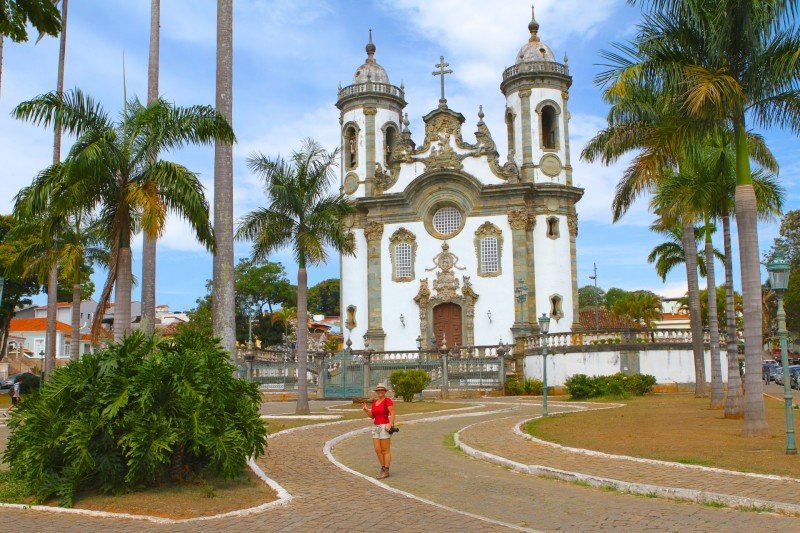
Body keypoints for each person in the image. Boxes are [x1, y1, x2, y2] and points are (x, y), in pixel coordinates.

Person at [362, 383, 395, 479]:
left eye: (382, 390)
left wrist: (390, 424)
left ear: (385, 391)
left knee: (385, 450)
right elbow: (372, 416)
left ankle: (386, 470)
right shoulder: (374, 402)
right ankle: (383, 467)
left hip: (384, 426)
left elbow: (392, 413)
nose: (380, 392)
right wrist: (366, 410)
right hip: (375, 427)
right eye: (378, 390)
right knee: (377, 449)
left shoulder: (387, 401)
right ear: (376, 392)